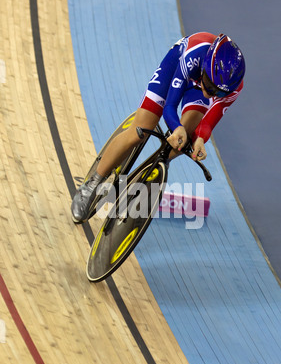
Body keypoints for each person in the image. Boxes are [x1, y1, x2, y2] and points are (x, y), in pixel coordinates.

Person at [71, 32, 245, 223]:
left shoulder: (232, 87)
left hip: (199, 79)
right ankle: (92, 184)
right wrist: (174, 125)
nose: (210, 93)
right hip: (175, 68)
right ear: (205, 68)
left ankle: (156, 167)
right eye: (210, 86)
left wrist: (200, 139)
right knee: (140, 130)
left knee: (186, 137)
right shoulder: (193, 56)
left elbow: (208, 123)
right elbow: (169, 106)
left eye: (217, 92)